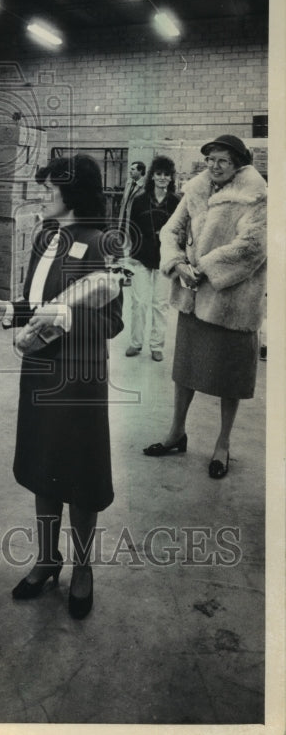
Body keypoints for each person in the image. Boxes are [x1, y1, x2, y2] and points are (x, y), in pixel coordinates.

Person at [0, 155, 124, 619]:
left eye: (50, 188)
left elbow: (113, 321)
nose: (43, 195)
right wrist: (13, 309)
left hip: (79, 374)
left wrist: (69, 315)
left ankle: (82, 566)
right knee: (44, 462)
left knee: (80, 468)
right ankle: (46, 557)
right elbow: (38, 302)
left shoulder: (102, 244)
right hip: (39, 367)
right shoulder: (43, 239)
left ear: (74, 194)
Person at [143, 134, 266, 479]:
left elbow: (253, 247)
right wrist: (177, 263)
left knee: (230, 378)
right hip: (192, 297)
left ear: (238, 163)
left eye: (222, 161)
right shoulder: (197, 188)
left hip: (232, 302)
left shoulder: (255, 195)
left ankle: (222, 444)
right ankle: (176, 433)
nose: (214, 166)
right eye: (210, 159)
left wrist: (205, 268)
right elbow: (170, 231)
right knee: (185, 372)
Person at [125, 156, 181, 361]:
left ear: (171, 177)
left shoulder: (176, 201)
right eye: (159, 174)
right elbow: (132, 228)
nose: (162, 178)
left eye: (166, 174)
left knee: (160, 303)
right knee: (139, 303)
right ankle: (135, 343)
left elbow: (181, 231)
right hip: (141, 258)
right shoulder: (140, 200)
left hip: (165, 260)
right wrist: (133, 253)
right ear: (152, 176)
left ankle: (157, 346)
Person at [117, 160, 147, 245]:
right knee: (122, 239)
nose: (130, 171)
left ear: (140, 171)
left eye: (133, 169)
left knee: (133, 240)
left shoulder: (145, 186)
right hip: (124, 217)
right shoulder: (129, 183)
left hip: (135, 219)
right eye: (130, 169)